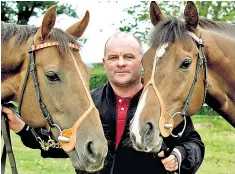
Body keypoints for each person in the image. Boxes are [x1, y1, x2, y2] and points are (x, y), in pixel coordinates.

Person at [2, 32, 205, 174]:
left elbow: (194, 144)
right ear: (105, 62)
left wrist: (179, 155)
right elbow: (63, 142)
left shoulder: (162, 103)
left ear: (142, 62)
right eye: (113, 57)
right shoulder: (89, 103)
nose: (121, 62)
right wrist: (21, 127)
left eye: (129, 57)